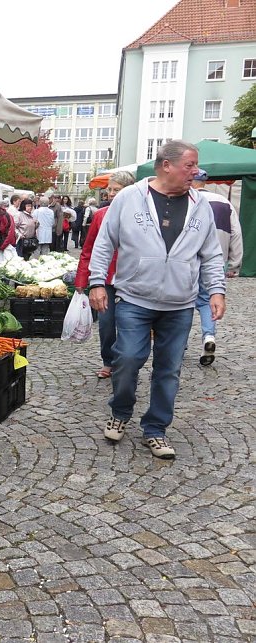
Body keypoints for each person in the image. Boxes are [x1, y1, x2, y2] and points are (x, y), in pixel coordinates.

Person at [88, 140, 226, 460]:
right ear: (166, 166)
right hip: (135, 298)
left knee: (169, 369)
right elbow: (105, 243)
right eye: (189, 165)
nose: (196, 171)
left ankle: (156, 429)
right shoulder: (129, 198)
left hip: (179, 304)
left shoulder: (200, 204)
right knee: (127, 358)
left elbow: (211, 254)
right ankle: (120, 412)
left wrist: (216, 289)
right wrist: (97, 282)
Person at [74, 170, 136, 379]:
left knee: (129, 323)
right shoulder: (101, 215)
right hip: (106, 278)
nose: (110, 193)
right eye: (109, 189)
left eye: (116, 190)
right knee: (107, 324)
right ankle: (108, 360)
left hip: (132, 279)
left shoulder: (140, 215)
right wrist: (82, 279)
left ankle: (126, 361)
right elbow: (88, 249)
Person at [191, 169, 243, 366]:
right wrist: (235, 263)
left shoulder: (188, 200)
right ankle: (209, 336)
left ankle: (179, 344)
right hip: (216, 261)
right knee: (207, 300)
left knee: (183, 301)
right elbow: (236, 234)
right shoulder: (224, 202)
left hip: (188, 261)